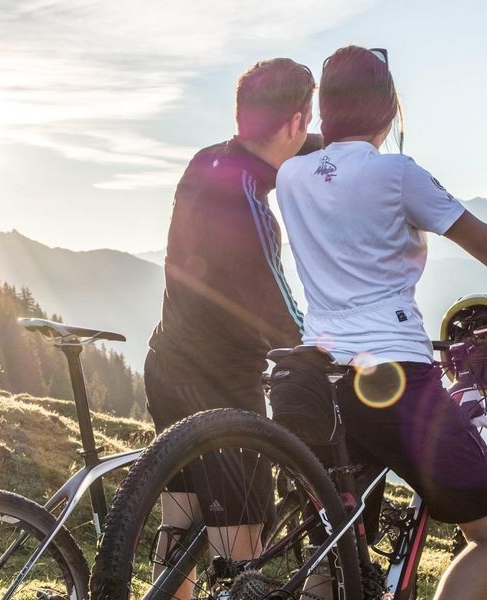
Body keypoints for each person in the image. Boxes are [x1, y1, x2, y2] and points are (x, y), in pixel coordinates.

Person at [275, 45, 487, 600]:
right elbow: (486, 243)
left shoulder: (292, 175)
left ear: (326, 110)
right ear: (387, 110)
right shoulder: (396, 174)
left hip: (315, 377)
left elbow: (328, 154)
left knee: (337, 554)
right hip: (394, 378)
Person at [143, 57, 318, 597]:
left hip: (167, 364)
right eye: (306, 120)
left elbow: (279, 147)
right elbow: (276, 301)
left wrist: (330, 141)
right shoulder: (249, 202)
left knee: (182, 522)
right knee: (241, 548)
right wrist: (318, 349)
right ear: (295, 121)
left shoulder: (209, 160)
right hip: (219, 383)